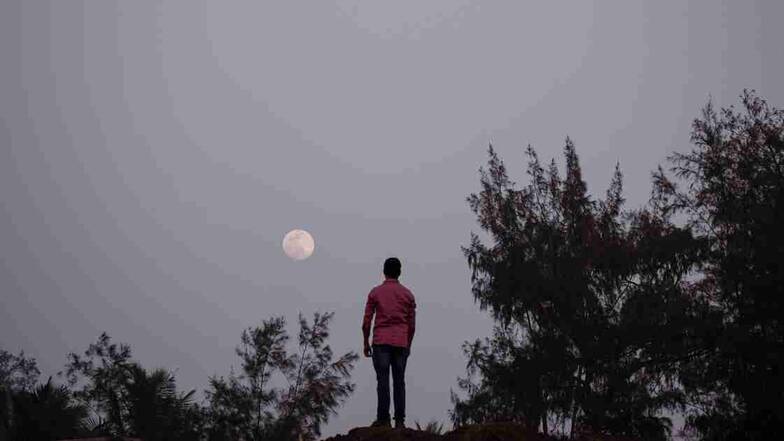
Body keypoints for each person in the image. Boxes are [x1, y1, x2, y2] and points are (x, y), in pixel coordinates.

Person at [362, 257, 416, 429]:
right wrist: (408, 345)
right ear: (399, 272)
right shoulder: (407, 295)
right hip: (401, 342)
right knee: (399, 381)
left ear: (384, 272)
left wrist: (365, 342)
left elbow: (367, 321)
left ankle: (383, 419)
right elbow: (411, 325)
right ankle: (399, 421)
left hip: (381, 343)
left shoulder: (375, 293)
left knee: (382, 381)